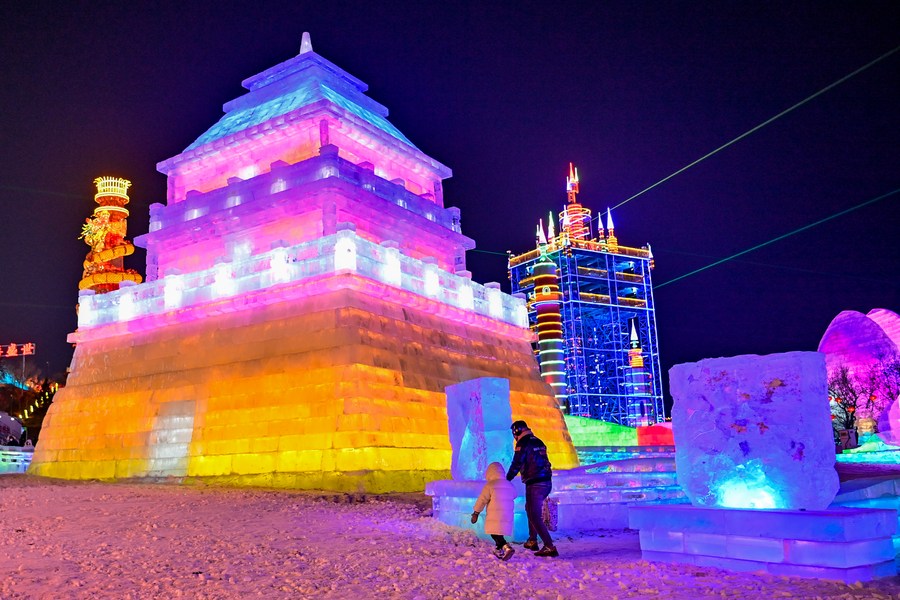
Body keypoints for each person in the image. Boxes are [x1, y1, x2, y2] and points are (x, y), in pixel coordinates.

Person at [506, 420, 557, 557]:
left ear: (517, 431)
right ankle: (532, 540)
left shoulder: (523, 443)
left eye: (514, 433)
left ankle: (549, 546)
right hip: (546, 482)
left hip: (535, 483)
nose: (514, 436)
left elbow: (517, 463)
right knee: (530, 509)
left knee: (534, 515)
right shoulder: (538, 441)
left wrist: (506, 479)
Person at [471, 462, 517, 561]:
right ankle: (499, 549)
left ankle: (506, 547)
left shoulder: (490, 485)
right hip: (506, 513)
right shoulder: (509, 485)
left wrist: (476, 513)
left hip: (495, 514)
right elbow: (515, 495)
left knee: (494, 533)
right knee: (499, 532)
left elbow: (482, 500)